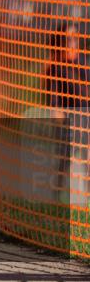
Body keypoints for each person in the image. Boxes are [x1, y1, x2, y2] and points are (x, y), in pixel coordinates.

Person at [44, 21, 89, 204]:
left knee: (87, 159)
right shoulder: (54, 68)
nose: (72, 43)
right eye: (68, 39)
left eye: (74, 39)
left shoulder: (83, 64)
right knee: (64, 160)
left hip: (85, 119)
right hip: (67, 121)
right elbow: (53, 101)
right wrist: (59, 118)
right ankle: (55, 198)